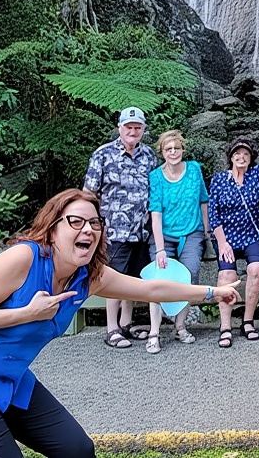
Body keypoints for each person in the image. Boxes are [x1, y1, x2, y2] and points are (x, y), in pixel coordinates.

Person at [0, 189, 240, 458]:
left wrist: (212, 292)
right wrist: (26, 313)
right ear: (53, 229)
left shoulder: (87, 277)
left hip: (9, 380)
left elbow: (150, 288)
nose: (88, 230)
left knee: (77, 450)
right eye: (76, 221)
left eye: (95, 223)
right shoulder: (23, 259)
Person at [82, 107, 157, 349]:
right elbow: (88, 194)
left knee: (134, 278)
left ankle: (126, 323)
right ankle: (111, 328)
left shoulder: (149, 156)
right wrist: (92, 225)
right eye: (129, 127)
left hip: (141, 230)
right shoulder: (103, 154)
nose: (133, 131)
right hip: (113, 230)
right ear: (120, 128)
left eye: (137, 127)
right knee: (113, 278)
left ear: (143, 129)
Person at [145, 129, 210, 353]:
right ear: (162, 152)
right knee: (158, 278)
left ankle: (180, 326)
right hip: (165, 235)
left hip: (191, 232)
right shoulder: (156, 176)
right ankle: (154, 332)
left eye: (177, 148)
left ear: (183, 149)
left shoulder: (194, 170)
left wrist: (207, 230)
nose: (173, 152)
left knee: (189, 274)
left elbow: (203, 200)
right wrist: (161, 249)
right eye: (168, 149)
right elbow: (156, 214)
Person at [208, 136, 259, 347]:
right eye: (237, 154)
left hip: (251, 233)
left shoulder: (257, 175)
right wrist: (222, 243)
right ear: (231, 157)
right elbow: (213, 215)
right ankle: (225, 326)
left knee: (257, 268)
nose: (241, 157)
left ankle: (248, 321)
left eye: (245, 154)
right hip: (227, 236)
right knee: (227, 274)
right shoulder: (219, 180)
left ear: (251, 157)